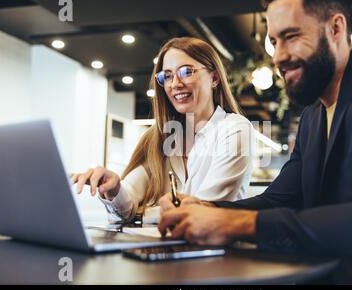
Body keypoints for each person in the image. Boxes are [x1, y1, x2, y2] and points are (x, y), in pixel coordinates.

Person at [158, 0, 352, 283]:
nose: (279, 56)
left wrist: (237, 224)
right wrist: (205, 209)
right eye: (273, 42)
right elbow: (279, 200)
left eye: (290, 37)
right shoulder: (313, 116)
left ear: (336, 28)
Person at [73, 37, 255, 224]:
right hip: (163, 249)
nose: (175, 83)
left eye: (186, 72)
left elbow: (202, 212)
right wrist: (114, 189)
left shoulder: (235, 129)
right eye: (167, 76)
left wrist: (142, 214)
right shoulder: (161, 137)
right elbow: (128, 200)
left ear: (214, 78)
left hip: (216, 251)